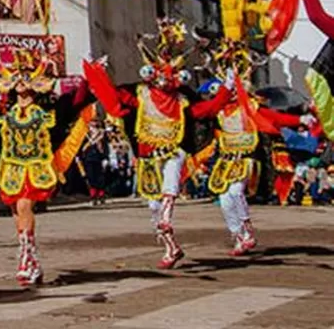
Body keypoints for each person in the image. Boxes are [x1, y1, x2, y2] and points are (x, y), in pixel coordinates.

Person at [83, 18, 230, 269]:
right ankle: (171, 247)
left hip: (173, 151)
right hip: (148, 157)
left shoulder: (183, 101)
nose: (164, 79)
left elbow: (206, 109)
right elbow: (115, 102)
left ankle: (166, 217)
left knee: (170, 186)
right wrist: (96, 72)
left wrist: (227, 87)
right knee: (152, 205)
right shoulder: (140, 95)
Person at [0, 49, 94, 286]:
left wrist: (89, 77)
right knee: (17, 213)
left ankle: (26, 257)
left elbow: (74, 104)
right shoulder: (5, 114)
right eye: (16, 74)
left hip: (36, 169)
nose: (20, 80)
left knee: (24, 205)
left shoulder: (46, 113)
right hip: (12, 169)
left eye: (26, 74)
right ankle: (33, 262)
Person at [189, 39, 314, 255]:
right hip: (226, 160)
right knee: (225, 199)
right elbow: (201, 115)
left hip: (247, 158)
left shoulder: (249, 108)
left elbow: (273, 118)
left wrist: (300, 120)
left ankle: (247, 231)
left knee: (236, 192)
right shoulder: (217, 113)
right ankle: (238, 236)